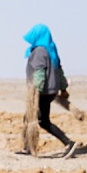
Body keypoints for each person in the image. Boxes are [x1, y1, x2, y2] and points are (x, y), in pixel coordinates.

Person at [23, 24, 77, 158]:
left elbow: (39, 72)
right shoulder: (51, 50)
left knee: (41, 121)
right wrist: (63, 89)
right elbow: (60, 72)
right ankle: (28, 147)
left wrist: (35, 92)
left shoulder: (39, 51)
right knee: (31, 119)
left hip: (42, 92)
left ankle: (68, 143)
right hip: (51, 92)